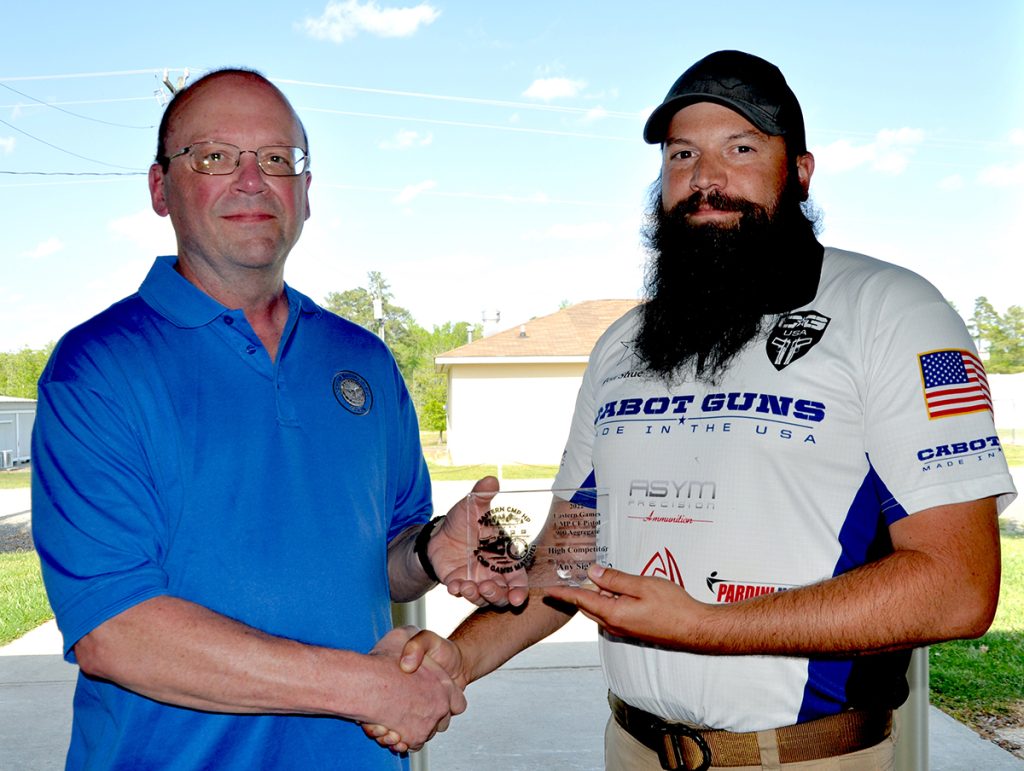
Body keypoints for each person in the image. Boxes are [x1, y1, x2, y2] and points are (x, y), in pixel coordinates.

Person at [384, 50, 1017, 770]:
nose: (706, 179)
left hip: (808, 756)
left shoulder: (892, 312)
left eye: (740, 149)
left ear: (801, 172)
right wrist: (455, 657)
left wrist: (709, 626)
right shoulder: (624, 345)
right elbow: (570, 562)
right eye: (682, 155)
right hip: (632, 747)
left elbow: (959, 587)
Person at [31, 68, 522, 770]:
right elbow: (117, 629)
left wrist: (428, 552)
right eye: (215, 156)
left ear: (306, 193)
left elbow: (378, 563)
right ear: (159, 188)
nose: (253, 180)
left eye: (276, 159)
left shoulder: (365, 361)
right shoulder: (97, 368)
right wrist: (367, 687)